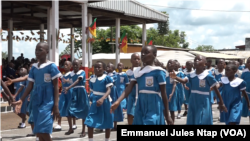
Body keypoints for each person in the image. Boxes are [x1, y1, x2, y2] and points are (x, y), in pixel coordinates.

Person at [111, 45, 173, 125]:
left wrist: (167, 116)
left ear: (154, 55)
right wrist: (118, 101)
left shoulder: (159, 72)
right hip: (140, 103)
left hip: (153, 104)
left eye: (146, 52)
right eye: (142, 53)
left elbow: (164, 94)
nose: (143, 54)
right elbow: (129, 88)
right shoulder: (138, 72)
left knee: (150, 122)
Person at [12, 42, 61, 141]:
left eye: (40, 50)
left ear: (47, 52)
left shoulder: (51, 66)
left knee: (44, 131)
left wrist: (56, 105)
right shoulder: (34, 67)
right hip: (36, 100)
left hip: (47, 101)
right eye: (36, 50)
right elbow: (30, 85)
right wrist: (21, 99)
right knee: (38, 132)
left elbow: (56, 86)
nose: (37, 52)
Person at [170, 55, 227, 125]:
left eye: (199, 60)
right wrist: (175, 77)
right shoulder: (191, 75)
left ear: (204, 64)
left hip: (204, 101)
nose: (196, 61)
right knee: (193, 118)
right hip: (193, 100)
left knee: (203, 119)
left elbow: (216, 89)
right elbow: (184, 81)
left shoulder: (207, 75)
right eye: (195, 60)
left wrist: (222, 103)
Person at [84, 61, 114, 141]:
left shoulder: (107, 78)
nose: (97, 69)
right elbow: (92, 90)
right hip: (95, 102)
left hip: (105, 102)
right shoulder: (92, 78)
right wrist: (91, 98)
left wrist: (102, 98)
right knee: (89, 121)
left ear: (104, 69)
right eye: (95, 67)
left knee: (107, 121)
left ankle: (107, 139)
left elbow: (109, 90)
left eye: (99, 67)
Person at [64, 59, 90, 137]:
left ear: (79, 65)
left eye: (77, 65)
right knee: (68, 109)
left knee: (83, 110)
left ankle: (83, 131)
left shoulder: (82, 72)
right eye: (74, 65)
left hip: (81, 92)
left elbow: (77, 81)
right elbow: (68, 80)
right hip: (73, 92)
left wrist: (68, 87)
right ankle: (70, 128)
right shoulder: (71, 74)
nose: (75, 66)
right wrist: (65, 81)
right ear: (72, 66)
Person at [106, 62, 123, 130]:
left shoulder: (115, 75)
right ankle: (106, 124)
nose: (107, 68)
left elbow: (112, 82)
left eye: (109, 67)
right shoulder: (105, 74)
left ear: (112, 68)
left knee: (114, 107)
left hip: (112, 92)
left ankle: (115, 125)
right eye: (107, 66)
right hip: (106, 91)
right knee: (106, 107)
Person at [125, 53, 141, 125]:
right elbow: (126, 86)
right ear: (131, 60)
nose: (137, 60)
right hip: (131, 96)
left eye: (138, 59)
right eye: (135, 59)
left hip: (141, 95)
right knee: (130, 114)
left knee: (140, 114)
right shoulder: (127, 73)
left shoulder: (142, 71)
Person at [241, 57, 250, 123]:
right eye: (248, 62)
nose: (249, 64)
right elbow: (241, 83)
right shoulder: (244, 72)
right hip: (247, 95)